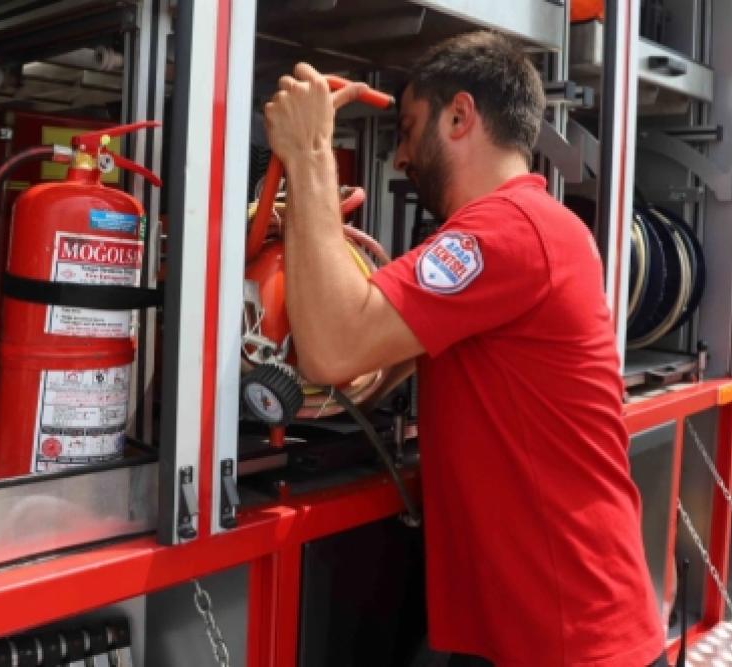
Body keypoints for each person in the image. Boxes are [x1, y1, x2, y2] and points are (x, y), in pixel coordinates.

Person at [262, 30, 666, 667]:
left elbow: (334, 350)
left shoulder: (507, 231)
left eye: (408, 128)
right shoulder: (531, 226)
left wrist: (312, 154)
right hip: (535, 628)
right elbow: (371, 361)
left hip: (567, 640)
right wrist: (310, 236)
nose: (399, 158)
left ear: (460, 116)